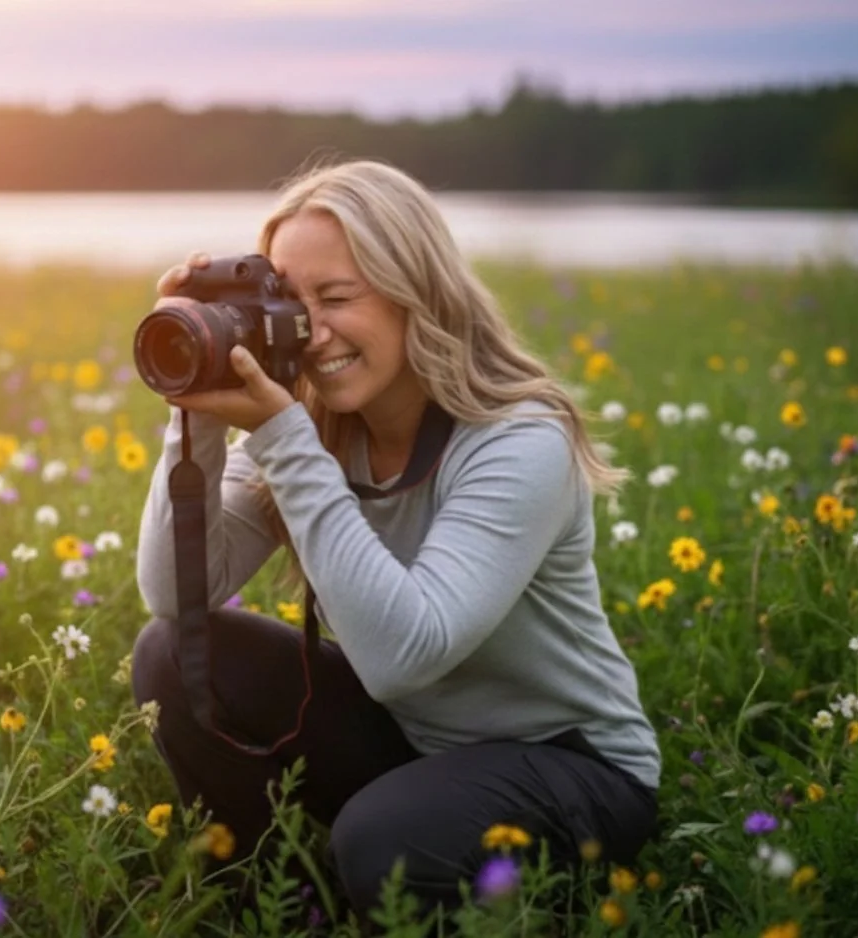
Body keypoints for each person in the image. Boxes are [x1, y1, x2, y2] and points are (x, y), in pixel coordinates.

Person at [130, 159, 661, 920]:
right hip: (419, 741)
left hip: (571, 768)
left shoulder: (518, 441)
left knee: (385, 840)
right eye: (287, 300)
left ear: (420, 294)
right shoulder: (307, 425)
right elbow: (177, 593)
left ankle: (418, 882)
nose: (310, 331)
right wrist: (197, 411)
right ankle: (273, 908)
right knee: (174, 655)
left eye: (337, 297)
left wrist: (284, 440)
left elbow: (404, 654)